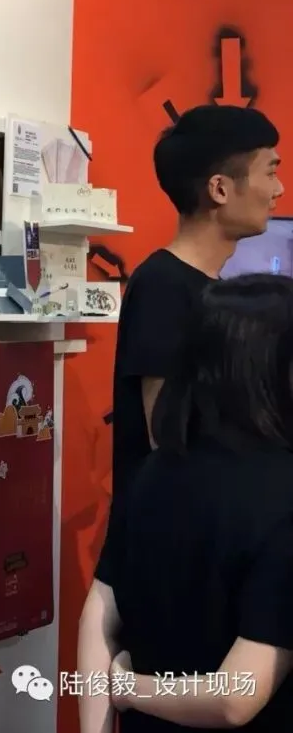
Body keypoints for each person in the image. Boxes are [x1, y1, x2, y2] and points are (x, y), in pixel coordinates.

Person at [79, 275, 293, 733]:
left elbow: (98, 613)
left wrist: (121, 694)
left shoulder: (153, 473)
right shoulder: (282, 496)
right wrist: (127, 689)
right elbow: (235, 697)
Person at [110, 105, 282, 500]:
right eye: (270, 172)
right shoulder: (163, 285)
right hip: (174, 528)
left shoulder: (210, 287)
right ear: (220, 189)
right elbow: (166, 440)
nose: (279, 190)